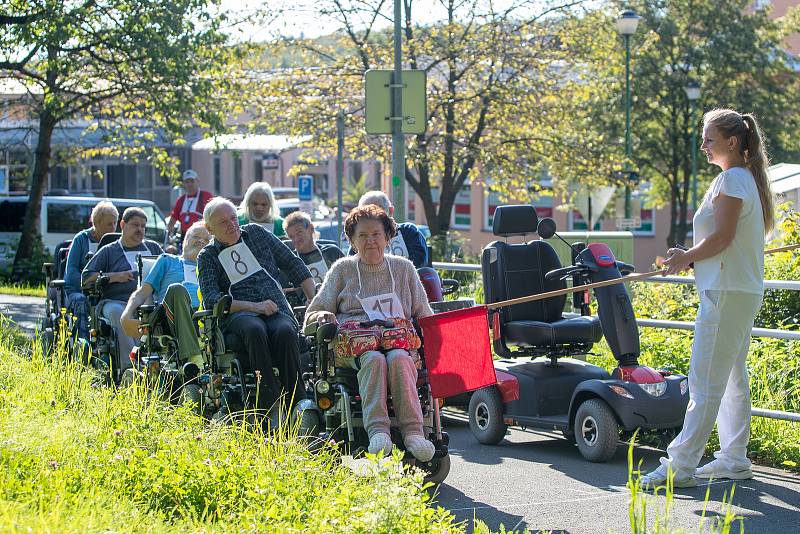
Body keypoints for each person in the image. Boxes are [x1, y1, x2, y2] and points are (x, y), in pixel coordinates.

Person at [640, 109, 775, 488]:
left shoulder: (732, 179)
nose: (704, 146)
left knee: (704, 382)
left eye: (709, 139)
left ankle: (681, 466)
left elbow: (722, 238)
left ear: (732, 142)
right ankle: (733, 458)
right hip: (736, 289)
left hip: (726, 291)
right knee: (731, 377)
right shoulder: (741, 178)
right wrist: (690, 257)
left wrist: (686, 257)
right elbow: (721, 242)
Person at [304, 204, 436, 462]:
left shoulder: (404, 268)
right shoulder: (342, 270)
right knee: (374, 359)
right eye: (362, 235)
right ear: (352, 240)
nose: (370, 241)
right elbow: (311, 315)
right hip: (355, 350)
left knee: (398, 358)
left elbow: (425, 314)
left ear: (388, 237)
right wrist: (321, 316)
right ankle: (378, 431)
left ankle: (413, 433)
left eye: (376, 234)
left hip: (399, 344)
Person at [197, 197, 314, 416]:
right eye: (223, 222)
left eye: (233, 218)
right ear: (209, 228)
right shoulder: (208, 256)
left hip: (275, 307)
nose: (231, 225)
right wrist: (254, 306)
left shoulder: (257, 234)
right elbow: (212, 299)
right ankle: (269, 404)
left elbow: (292, 263)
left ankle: (298, 404)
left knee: (286, 331)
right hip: (239, 313)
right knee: (254, 329)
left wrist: (315, 301)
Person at [82, 207, 164, 370]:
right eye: (135, 225)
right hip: (116, 302)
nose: (139, 229)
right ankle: (129, 368)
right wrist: (114, 276)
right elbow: (86, 279)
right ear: (122, 225)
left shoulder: (153, 248)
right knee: (118, 313)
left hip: (148, 303)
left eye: (143, 226)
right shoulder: (109, 251)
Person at [119, 222, 211, 365]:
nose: (201, 241)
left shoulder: (210, 267)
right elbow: (143, 291)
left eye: (207, 240)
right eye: (197, 236)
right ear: (185, 241)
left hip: (204, 315)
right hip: (169, 316)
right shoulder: (167, 261)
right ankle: (194, 359)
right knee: (177, 289)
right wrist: (126, 316)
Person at [64, 201, 119, 339]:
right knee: (82, 301)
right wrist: (91, 284)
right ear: (97, 223)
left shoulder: (117, 242)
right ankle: (84, 346)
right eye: (109, 224)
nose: (113, 228)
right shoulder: (81, 240)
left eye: (115, 223)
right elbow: (70, 274)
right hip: (78, 291)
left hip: (107, 291)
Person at [357, 190, 428, 268]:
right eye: (365, 214)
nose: (371, 218)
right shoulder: (358, 237)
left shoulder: (408, 232)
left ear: (390, 211)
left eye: (376, 212)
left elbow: (419, 262)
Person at [284, 209, 344, 286]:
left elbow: (349, 280)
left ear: (311, 229)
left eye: (299, 232)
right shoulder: (290, 261)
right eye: (291, 236)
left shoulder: (332, 252)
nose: (296, 239)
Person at [168, 169, 213, 241]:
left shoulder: (206, 196)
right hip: (185, 236)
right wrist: (168, 233)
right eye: (187, 182)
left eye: (192, 181)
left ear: (197, 181)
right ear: (184, 184)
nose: (189, 184)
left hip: (202, 235)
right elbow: (173, 217)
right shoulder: (181, 200)